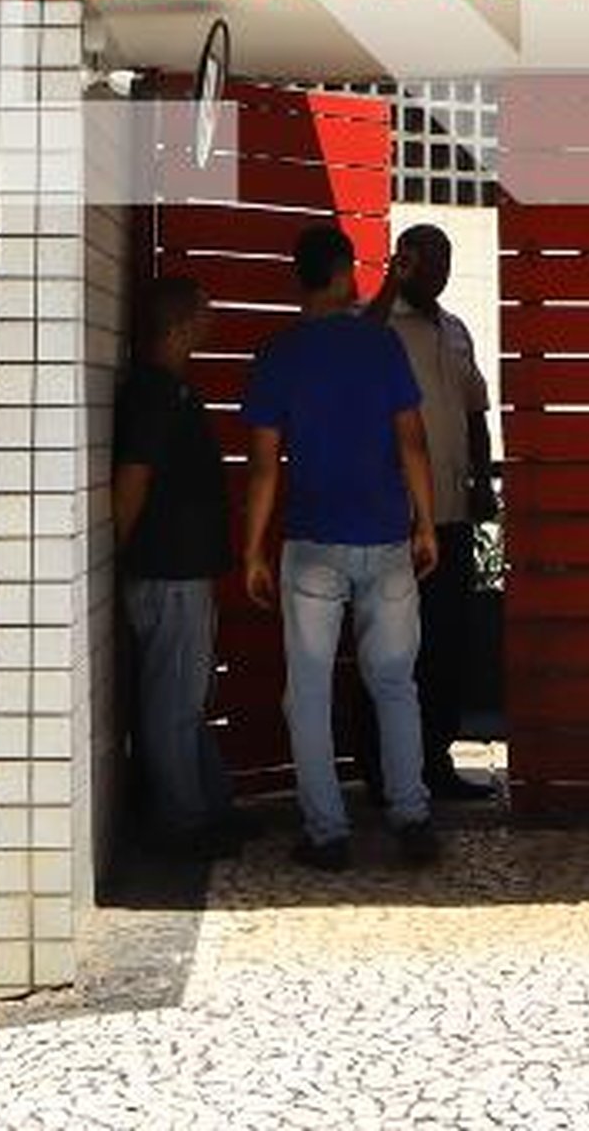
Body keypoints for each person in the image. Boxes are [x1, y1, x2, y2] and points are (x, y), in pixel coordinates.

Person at [240, 222, 442, 869]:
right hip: (384, 537)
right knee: (393, 683)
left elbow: (265, 466)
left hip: (312, 543)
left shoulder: (278, 355)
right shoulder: (380, 348)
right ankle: (412, 818)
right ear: (344, 273)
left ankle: (327, 834)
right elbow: (412, 441)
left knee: (309, 689)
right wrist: (427, 523)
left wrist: (252, 551)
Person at [112, 277, 240, 854]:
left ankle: (206, 806)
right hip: (168, 574)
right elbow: (133, 481)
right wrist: (121, 551)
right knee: (172, 701)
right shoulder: (156, 396)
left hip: (180, 572)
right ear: (181, 325)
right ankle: (183, 821)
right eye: (205, 312)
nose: (212, 320)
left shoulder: (165, 391)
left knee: (185, 697)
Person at [375, 223, 497, 800]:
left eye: (447, 262)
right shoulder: (380, 326)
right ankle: (383, 771)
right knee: (394, 645)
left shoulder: (456, 332)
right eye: (429, 262)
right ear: (406, 262)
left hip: (452, 515)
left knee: (447, 643)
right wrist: (385, 285)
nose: (441, 274)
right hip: (396, 519)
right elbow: (357, 356)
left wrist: (481, 479)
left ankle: (435, 761)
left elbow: (476, 411)